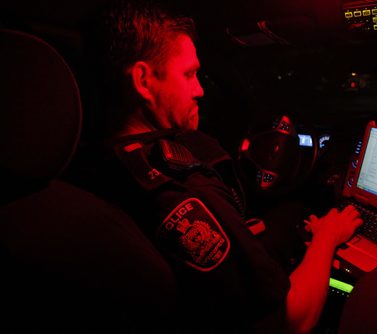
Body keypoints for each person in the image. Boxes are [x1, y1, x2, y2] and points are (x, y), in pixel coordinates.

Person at [80, 0, 362, 332]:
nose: (200, 89)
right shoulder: (181, 190)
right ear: (144, 81)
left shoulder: (97, 161)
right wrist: (326, 238)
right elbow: (292, 320)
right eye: (188, 74)